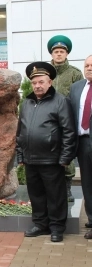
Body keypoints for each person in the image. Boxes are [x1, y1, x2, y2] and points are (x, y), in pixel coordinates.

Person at [16, 62, 76, 243]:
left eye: (41, 82)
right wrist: (20, 155)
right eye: (34, 83)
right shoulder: (26, 103)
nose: (37, 86)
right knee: (36, 195)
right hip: (30, 159)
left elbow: (69, 131)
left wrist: (66, 157)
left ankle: (57, 227)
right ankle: (40, 224)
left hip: (52, 159)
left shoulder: (60, 101)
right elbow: (20, 131)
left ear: (50, 82)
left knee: (56, 196)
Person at [48, 35, 84, 202]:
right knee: (48, 154)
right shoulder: (45, 71)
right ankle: (51, 188)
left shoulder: (75, 74)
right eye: (56, 51)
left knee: (66, 154)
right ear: (52, 54)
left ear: (67, 54)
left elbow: (79, 97)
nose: (59, 54)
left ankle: (67, 188)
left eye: (62, 51)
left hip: (67, 120)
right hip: (47, 121)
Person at [68, 55, 92, 239]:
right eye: (87, 65)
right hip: (82, 143)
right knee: (87, 183)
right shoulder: (77, 88)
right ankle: (91, 218)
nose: (89, 68)